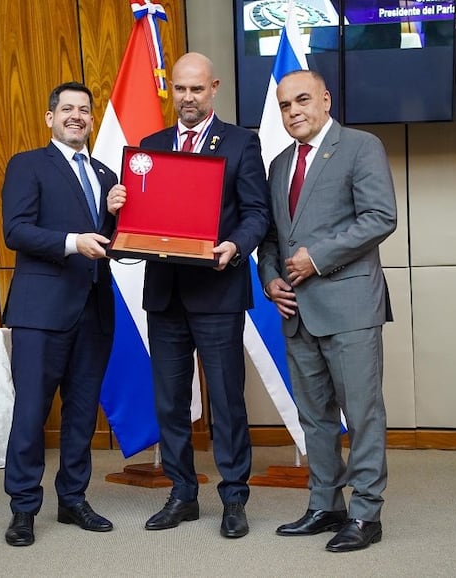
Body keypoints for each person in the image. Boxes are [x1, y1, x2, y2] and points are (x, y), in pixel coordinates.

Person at [108, 52, 270, 539]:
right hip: (166, 297)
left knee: (226, 400)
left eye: (196, 90)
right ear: (170, 91)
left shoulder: (241, 143)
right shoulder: (150, 148)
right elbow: (140, 222)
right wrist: (118, 207)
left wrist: (236, 245)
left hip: (218, 292)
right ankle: (182, 493)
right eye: (180, 89)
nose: (187, 99)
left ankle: (235, 498)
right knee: (170, 402)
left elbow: (257, 213)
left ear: (213, 88)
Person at [257, 70, 396, 552]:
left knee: (361, 414)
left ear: (325, 100)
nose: (293, 111)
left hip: (350, 307)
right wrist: (270, 277)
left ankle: (365, 514)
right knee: (314, 417)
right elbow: (272, 238)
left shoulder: (360, 146)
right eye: (284, 105)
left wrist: (316, 257)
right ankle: (325, 504)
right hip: (295, 310)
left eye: (302, 100)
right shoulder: (277, 165)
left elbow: (380, 217)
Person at [1, 81, 123, 547]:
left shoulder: (107, 175)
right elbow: (16, 230)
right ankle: (23, 508)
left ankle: (72, 499)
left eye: (85, 110)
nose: (77, 116)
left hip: (94, 310)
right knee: (32, 412)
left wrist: (116, 216)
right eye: (67, 109)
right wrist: (73, 241)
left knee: (80, 415)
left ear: (92, 120)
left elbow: (112, 243)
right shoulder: (28, 164)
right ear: (50, 117)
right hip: (41, 311)